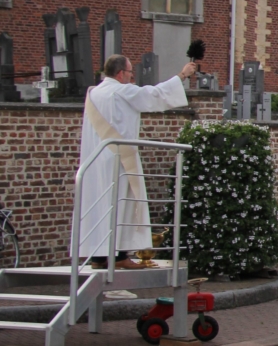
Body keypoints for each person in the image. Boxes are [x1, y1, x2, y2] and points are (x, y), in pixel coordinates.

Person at [78, 55, 198, 269]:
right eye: (130, 73)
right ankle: (119, 256)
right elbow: (154, 95)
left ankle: (98, 258)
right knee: (123, 204)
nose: (132, 77)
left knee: (100, 207)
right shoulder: (121, 91)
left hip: (96, 161)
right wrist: (182, 75)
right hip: (119, 159)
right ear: (120, 73)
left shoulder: (94, 93)